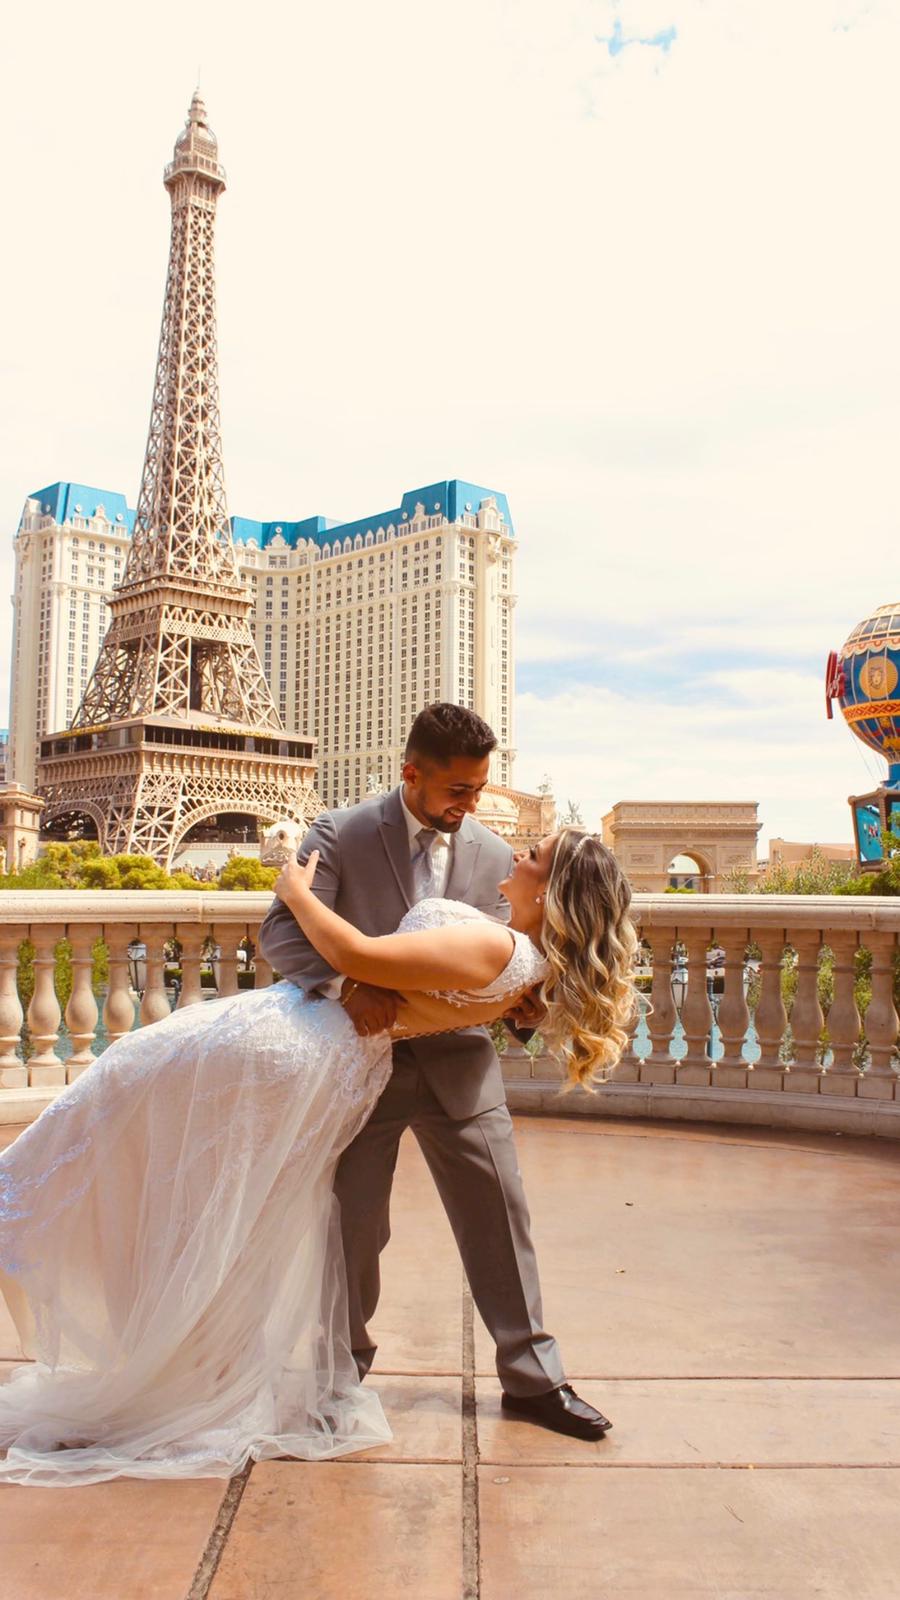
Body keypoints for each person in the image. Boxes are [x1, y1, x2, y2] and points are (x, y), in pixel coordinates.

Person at [0, 707, 636, 1486]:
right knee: (350, 1228)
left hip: (458, 1067)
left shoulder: (494, 852)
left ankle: (536, 1378)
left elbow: (518, 962)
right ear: (413, 773)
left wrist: (523, 1010)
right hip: (353, 1067)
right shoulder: (341, 831)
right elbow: (282, 935)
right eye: (456, 789)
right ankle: (341, 1375)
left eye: (477, 790)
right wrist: (350, 982)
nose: (469, 805)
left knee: (501, 1217)